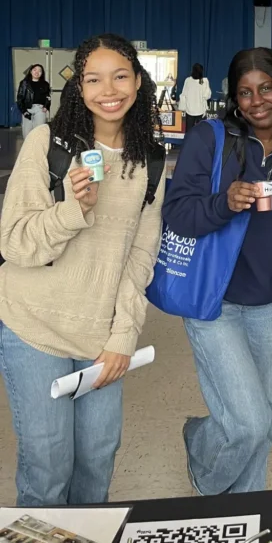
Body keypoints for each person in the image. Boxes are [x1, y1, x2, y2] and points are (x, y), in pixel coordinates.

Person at [0, 33, 165, 506]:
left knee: (96, 461)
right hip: (34, 326)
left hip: (99, 339)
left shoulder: (150, 161)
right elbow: (14, 243)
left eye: (119, 76)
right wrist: (74, 209)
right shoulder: (47, 144)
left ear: (137, 82)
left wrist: (122, 337)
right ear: (78, 87)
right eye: (93, 79)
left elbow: (140, 258)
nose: (107, 90)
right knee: (48, 468)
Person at [163, 48, 272, 495]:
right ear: (234, 97)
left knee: (264, 427)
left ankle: (245, 518)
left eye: (266, 88)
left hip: (269, 302)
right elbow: (177, 214)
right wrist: (222, 203)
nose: (257, 101)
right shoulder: (211, 140)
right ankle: (204, 458)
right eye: (245, 92)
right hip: (214, 301)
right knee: (248, 422)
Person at [16, 64, 51, 139]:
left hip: (40, 109)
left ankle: (38, 149)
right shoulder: (24, 83)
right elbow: (19, 98)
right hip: (27, 108)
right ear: (31, 71)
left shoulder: (45, 84)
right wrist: (24, 111)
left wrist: (46, 106)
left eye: (40, 71)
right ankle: (28, 150)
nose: (37, 72)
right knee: (27, 133)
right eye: (35, 70)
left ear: (42, 74)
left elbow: (48, 97)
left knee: (39, 132)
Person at [179, 63, 211, 132]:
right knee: (201, 132)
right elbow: (207, 96)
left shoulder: (188, 80)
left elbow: (183, 95)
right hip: (201, 111)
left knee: (189, 132)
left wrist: (182, 107)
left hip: (189, 111)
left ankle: (188, 142)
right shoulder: (204, 81)